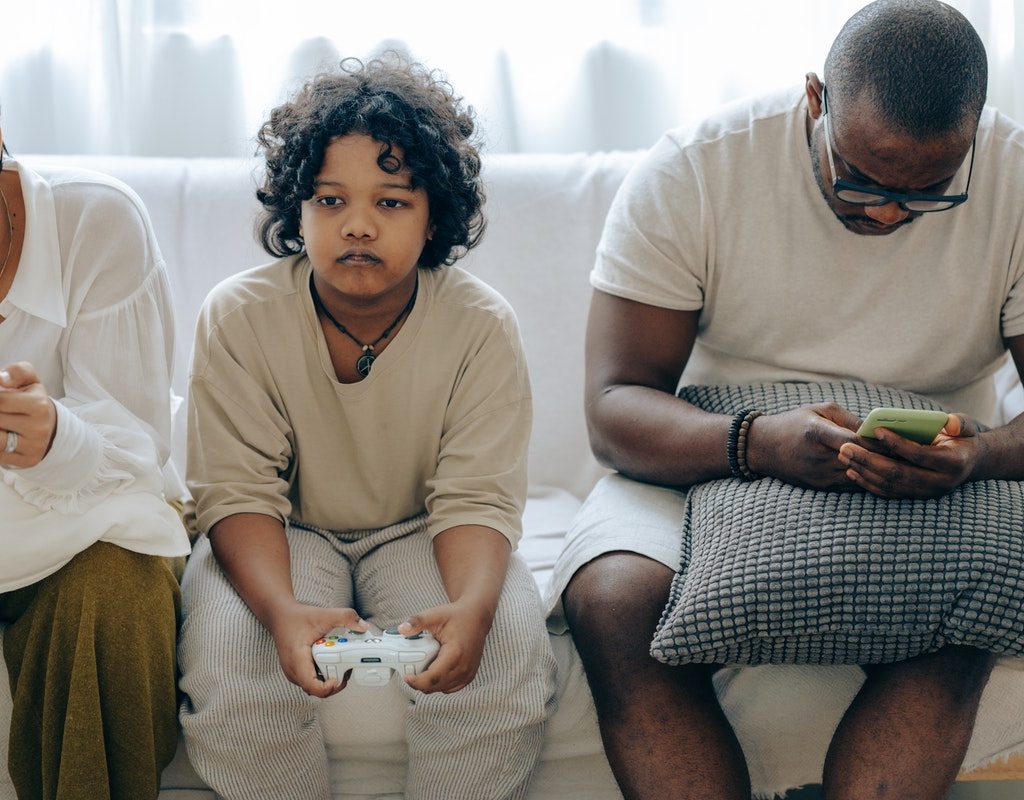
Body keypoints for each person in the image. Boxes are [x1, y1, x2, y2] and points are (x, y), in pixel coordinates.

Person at [547, 1, 1024, 798]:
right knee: (614, 597)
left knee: (970, 596)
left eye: (928, 191)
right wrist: (755, 442)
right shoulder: (697, 169)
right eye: (860, 179)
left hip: (937, 468)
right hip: (715, 445)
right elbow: (614, 405)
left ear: (972, 135)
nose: (887, 211)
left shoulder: (1016, 176)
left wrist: (978, 457)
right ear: (815, 99)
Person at [177, 55, 557, 800]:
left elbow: (476, 496)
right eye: (329, 200)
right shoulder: (239, 316)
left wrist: (474, 609)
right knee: (231, 660)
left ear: (433, 217)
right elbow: (236, 491)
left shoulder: (480, 325)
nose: (357, 224)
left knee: (505, 650)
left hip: (424, 528)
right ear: (297, 213)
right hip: (283, 531)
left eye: (391, 202)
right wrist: (283, 612)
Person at [0, 128, 191, 797]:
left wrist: (57, 440)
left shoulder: (94, 221)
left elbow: (138, 449)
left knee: (115, 586)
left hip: (86, 523)